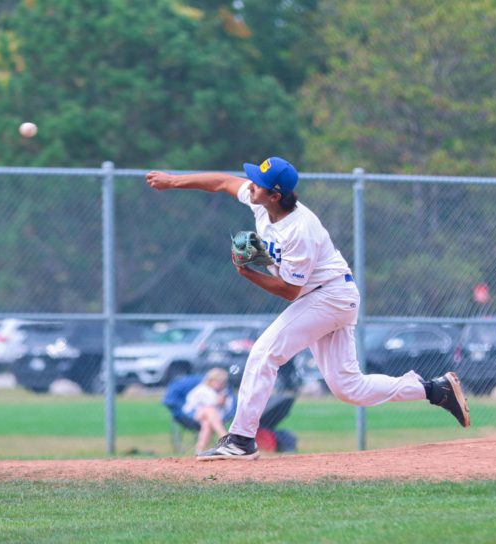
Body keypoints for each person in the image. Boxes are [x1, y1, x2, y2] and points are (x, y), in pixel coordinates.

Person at [146, 156, 470, 461]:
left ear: (275, 195)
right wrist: (173, 181)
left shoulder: (300, 230)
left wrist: (249, 272)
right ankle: (435, 389)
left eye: (258, 183)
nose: (250, 184)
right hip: (327, 295)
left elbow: (289, 290)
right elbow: (222, 182)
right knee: (348, 387)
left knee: (264, 353)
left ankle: (241, 439)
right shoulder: (263, 203)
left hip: (329, 297)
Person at [182, 368, 232, 454]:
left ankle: (199, 450)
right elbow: (190, 406)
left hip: (216, 418)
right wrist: (215, 403)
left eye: (221, 383)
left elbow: (228, 409)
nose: (219, 385)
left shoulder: (224, 392)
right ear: (210, 380)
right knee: (209, 410)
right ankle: (224, 436)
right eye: (217, 382)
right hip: (196, 414)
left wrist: (223, 403)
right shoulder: (201, 390)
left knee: (206, 423)